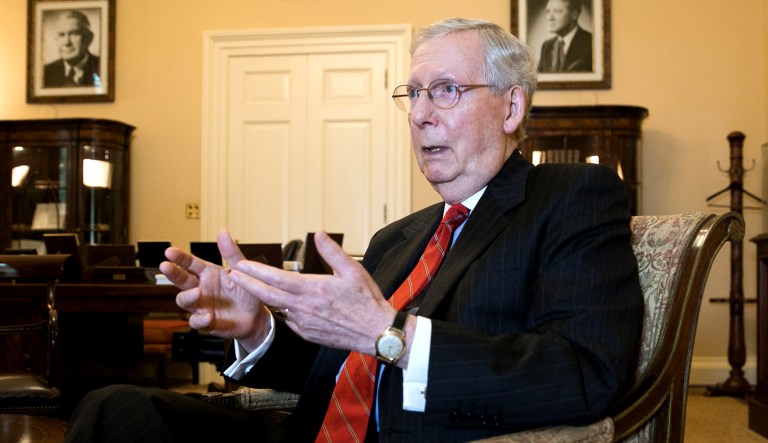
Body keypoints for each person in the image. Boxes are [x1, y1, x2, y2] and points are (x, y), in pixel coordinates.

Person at [64, 17, 642, 442]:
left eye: (445, 90)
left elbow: (584, 373)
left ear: (511, 107)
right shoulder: (399, 236)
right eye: (413, 94)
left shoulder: (572, 199)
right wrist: (257, 327)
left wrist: (390, 334)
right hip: (309, 431)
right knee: (114, 408)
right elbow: (340, 362)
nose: (419, 114)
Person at [43, 10, 101, 87]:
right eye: (61, 35)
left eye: (74, 33)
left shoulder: (102, 68)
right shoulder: (45, 73)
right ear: (56, 39)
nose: (67, 42)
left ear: (89, 38)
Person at [537, 0, 593, 73]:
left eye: (557, 11)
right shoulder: (547, 46)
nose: (550, 18)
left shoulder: (590, 42)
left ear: (574, 15)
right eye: (547, 11)